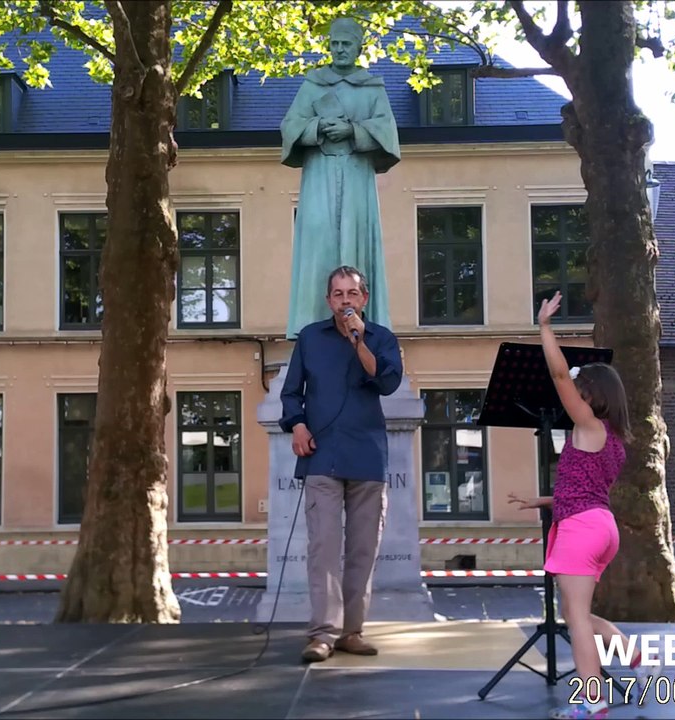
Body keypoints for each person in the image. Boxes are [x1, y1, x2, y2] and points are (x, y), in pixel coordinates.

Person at [506, 291, 649, 719]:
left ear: (593, 396)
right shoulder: (615, 441)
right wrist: (541, 500)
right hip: (601, 527)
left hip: (581, 530)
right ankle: (633, 654)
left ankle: (594, 703)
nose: (574, 397)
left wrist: (545, 328)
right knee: (578, 613)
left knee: (576, 619)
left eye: (581, 391)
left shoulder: (588, 425)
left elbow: (558, 377)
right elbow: (584, 488)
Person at [280, 266, 403, 663]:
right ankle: (322, 634)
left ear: (363, 299)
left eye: (352, 293)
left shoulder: (381, 338)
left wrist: (359, 341)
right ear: (328, 300)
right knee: (324, 550)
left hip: (367, 457)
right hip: (322, 458)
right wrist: (297, 425)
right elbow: (290, 393)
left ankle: (352, 631)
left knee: (363, 551)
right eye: (337, 294)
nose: (345, 300)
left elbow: (386, 383)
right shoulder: (310, 339)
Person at [279, 17, 400, 339]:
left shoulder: (372, 87)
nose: (340, 50)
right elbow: (290, 126)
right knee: (317, 243)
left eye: (346, 44)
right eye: (335, 44)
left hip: (357, 174)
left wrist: (354, 130)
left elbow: (388, 132)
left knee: (357, 240)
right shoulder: (313, 84)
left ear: (359, 47)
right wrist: (317, 127)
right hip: (319, 173)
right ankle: (311, 324)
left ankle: (363, 325)